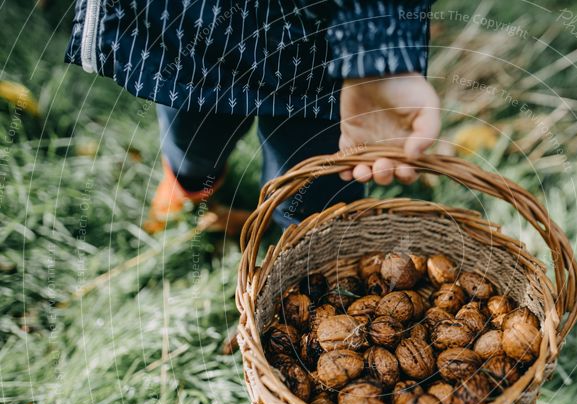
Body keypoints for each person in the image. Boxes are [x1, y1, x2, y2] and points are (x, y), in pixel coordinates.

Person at [65, 1, 440, 232]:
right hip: (193, 30)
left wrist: (375, 53)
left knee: (315, 192)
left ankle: (305, 263)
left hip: (323, 50)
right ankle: (189, 182)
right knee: (192, 142)